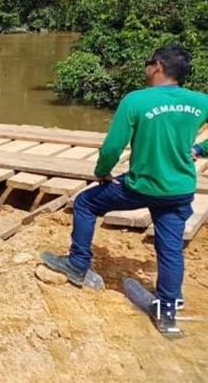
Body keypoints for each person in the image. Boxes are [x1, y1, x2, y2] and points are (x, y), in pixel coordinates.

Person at [41, 44, 208, 338]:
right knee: (170, 250)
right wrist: (199, 149)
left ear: (157, 66)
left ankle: (77, 265)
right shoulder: (200, 102)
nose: (145, 68)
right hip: (180, 189)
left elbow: (113, 147)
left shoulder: (136, 101)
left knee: (85, 204)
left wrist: (102, 173)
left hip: (142, 186)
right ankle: (167, 315)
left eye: (147, 63)